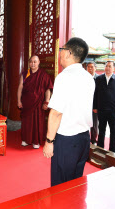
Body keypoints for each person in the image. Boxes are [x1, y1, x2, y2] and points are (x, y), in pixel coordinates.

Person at [43, 37, 95, 186]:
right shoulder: (89, 77)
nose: (60, 53)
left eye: (62, 49)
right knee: (75, 183)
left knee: (61, 185)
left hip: (67, 140)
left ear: (68, 53)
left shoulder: (64, 77)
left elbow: (56, 113)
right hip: (84, 138)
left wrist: (49, 141)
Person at [17, 55, 53, 149]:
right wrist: (18, 100)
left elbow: (47, 89)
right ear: (29, 63)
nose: (33, 63)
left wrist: (46, 101)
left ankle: (36, 141)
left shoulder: (43, 75)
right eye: (31, 61)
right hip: (26, 102)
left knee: (37, 122)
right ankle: (25, 139)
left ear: (38, 63)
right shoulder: (25, 74)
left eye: (35, 61)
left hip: (38, 103)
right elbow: (20, 87)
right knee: (26, 122)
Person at [93, 61, 115, 153]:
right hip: (101, 109)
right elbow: (95, 94)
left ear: (114, 68)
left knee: (113, 131)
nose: (107, 68)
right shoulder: (99, 79)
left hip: (113, 110)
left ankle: (113, 149)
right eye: (106, 66)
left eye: (110, 66)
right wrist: (95, 107)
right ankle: (100, 147)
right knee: (101, 129)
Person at [86, 61, 98, 144]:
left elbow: (99, 94)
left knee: (94, 123)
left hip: (95, 105)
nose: (90, 69)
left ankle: (93, 139)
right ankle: (85, 138)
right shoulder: (83, 78)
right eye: (88, 67)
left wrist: (96, 106)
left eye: (92, 67)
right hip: (85, 105)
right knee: (85, 122)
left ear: (95, 68)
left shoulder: (99, 78)